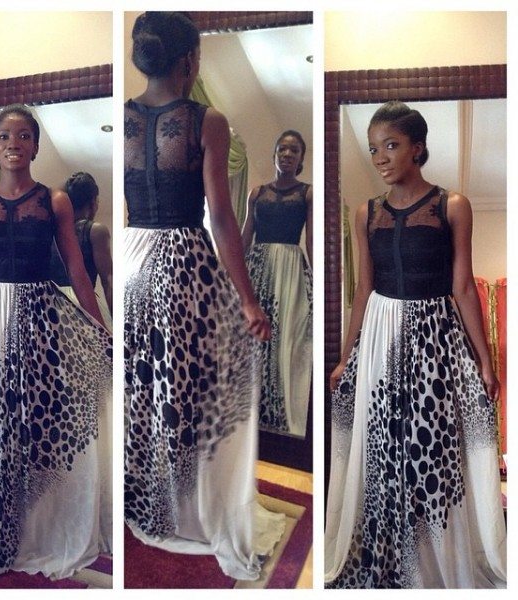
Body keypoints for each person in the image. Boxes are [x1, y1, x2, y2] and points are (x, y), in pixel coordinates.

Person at [124, 11, 285, 581]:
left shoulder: (123, 116)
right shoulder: (205, 121)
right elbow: (220, 216)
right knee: (193, 389)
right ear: (190, 61)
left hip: (132, 262)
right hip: (181, 265)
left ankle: (151, 500)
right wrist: (248, 300)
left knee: (143, 391)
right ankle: (193, 509)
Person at [324, 100, 506, 588]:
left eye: (391, 145)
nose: (380, 157)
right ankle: (392, 556)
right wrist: (346, 358)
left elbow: (463, 287)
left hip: (437, 340)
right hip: (380, 337)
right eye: (373, 149)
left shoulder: (453, 205)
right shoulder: (365, 213)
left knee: (432, 448)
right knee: (385, 447)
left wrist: (485, 361)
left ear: (418, 148)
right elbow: (363, 289)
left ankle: (432, 560)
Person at [0, 104, 112, 588]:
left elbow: (77, 269)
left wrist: (99, 330)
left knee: (35, 422)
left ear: (35, 145)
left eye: (24, 135)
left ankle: (37, 527)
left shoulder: (56, 201)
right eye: (5, 136)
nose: (14, 143)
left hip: (41, 319)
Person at [241, 130, 312, 436]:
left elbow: (312, 240)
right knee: (253, 339)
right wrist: (231, 277)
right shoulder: (256, 193)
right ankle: (250, 414)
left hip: (291, 271)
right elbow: (245, 236)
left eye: (294, 150)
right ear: (274, 154)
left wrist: (317, 282)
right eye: (282, 149)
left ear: (301, 159)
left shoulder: (307, 193)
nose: (287, 154)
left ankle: (280, 416)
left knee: (286, 340)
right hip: (256, 268)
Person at [49, 171, 113, 329]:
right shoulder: (95, 231)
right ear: (93, 202)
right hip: (83, 303)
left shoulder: (50, 229)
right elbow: (108, 280)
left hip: (51, 306)